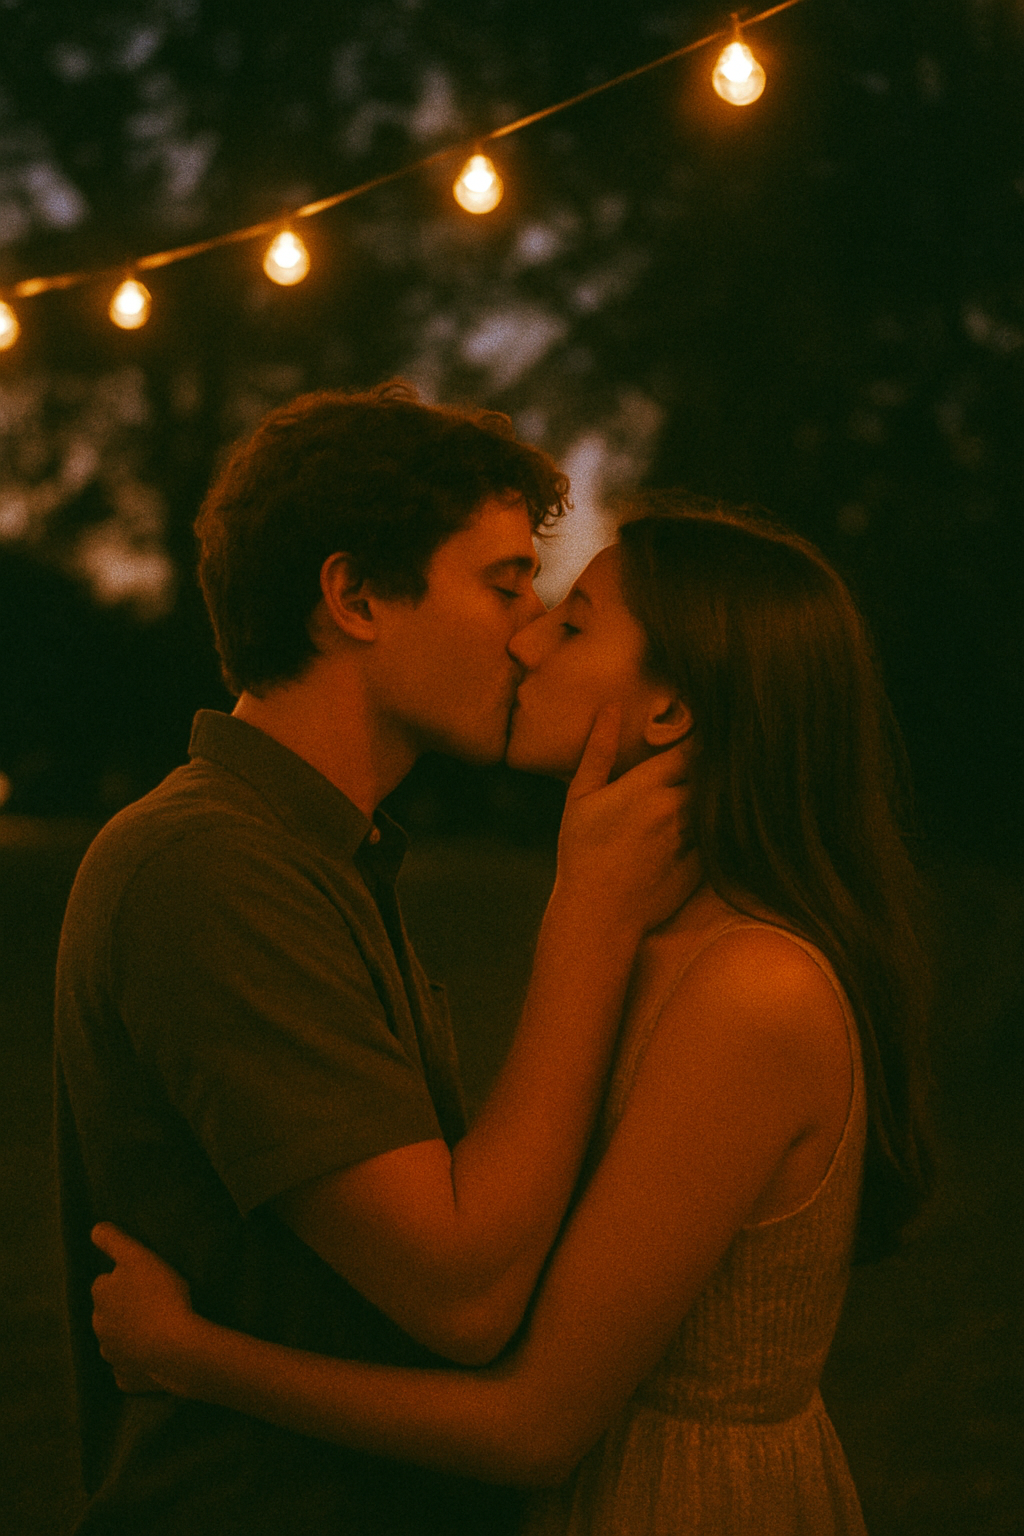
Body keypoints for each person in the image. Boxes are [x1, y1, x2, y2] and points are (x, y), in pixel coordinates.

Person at [91, 504, 934, 1535]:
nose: (524, 641)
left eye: (572, 624)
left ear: (669, 711)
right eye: (517, 596)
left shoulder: (750, 989)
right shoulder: (643, 939)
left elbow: (531, 1424)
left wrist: (191, 1356)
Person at [55, 382, 693, 1535]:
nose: (532, 630)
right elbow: (462, 1293)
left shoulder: (321, 852)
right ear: (353, 596)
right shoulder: (207, 870)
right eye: (504, 584)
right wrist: (587, 920)